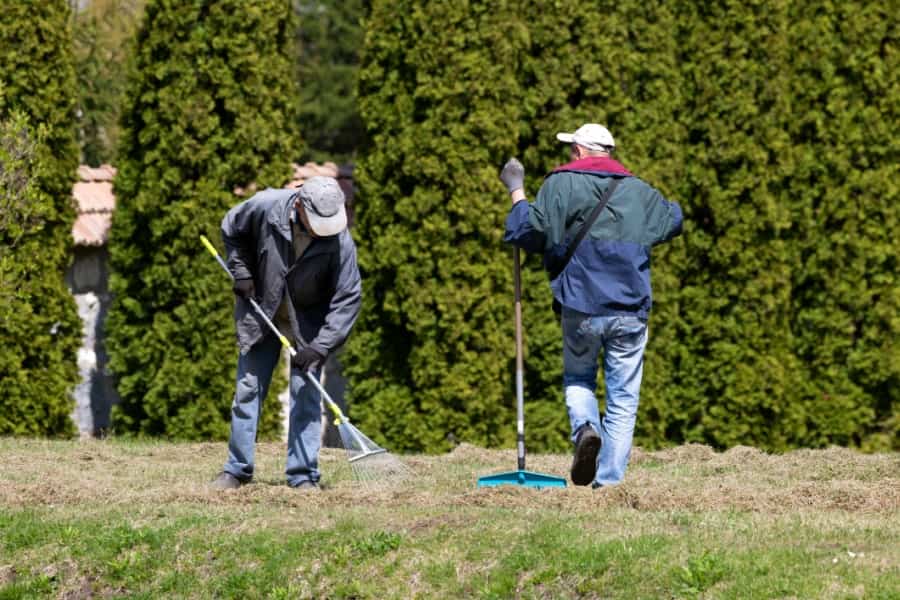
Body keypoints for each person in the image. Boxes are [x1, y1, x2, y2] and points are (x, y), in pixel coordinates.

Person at [500, 123, 683, 487]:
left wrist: (516, 189)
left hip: (581, 306)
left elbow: (528, 232)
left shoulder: (560, 185)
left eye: (572, 149)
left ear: (581, 151)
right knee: (624, 397)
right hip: (631, 309)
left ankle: (585, 429)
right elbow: (673, 218)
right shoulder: (640, 191)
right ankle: (610, 482)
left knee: (579, 377)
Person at [211, 176, 362, 491]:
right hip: (261, 310)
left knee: (306, 396)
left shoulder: (339, 240)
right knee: (248, 390)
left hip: (308, 324)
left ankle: (303, 474)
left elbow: (347, 298)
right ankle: (237, 470)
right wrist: (241, 271)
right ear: (299, 206)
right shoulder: (266, 207)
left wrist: (320, 347)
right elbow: (231, 228)